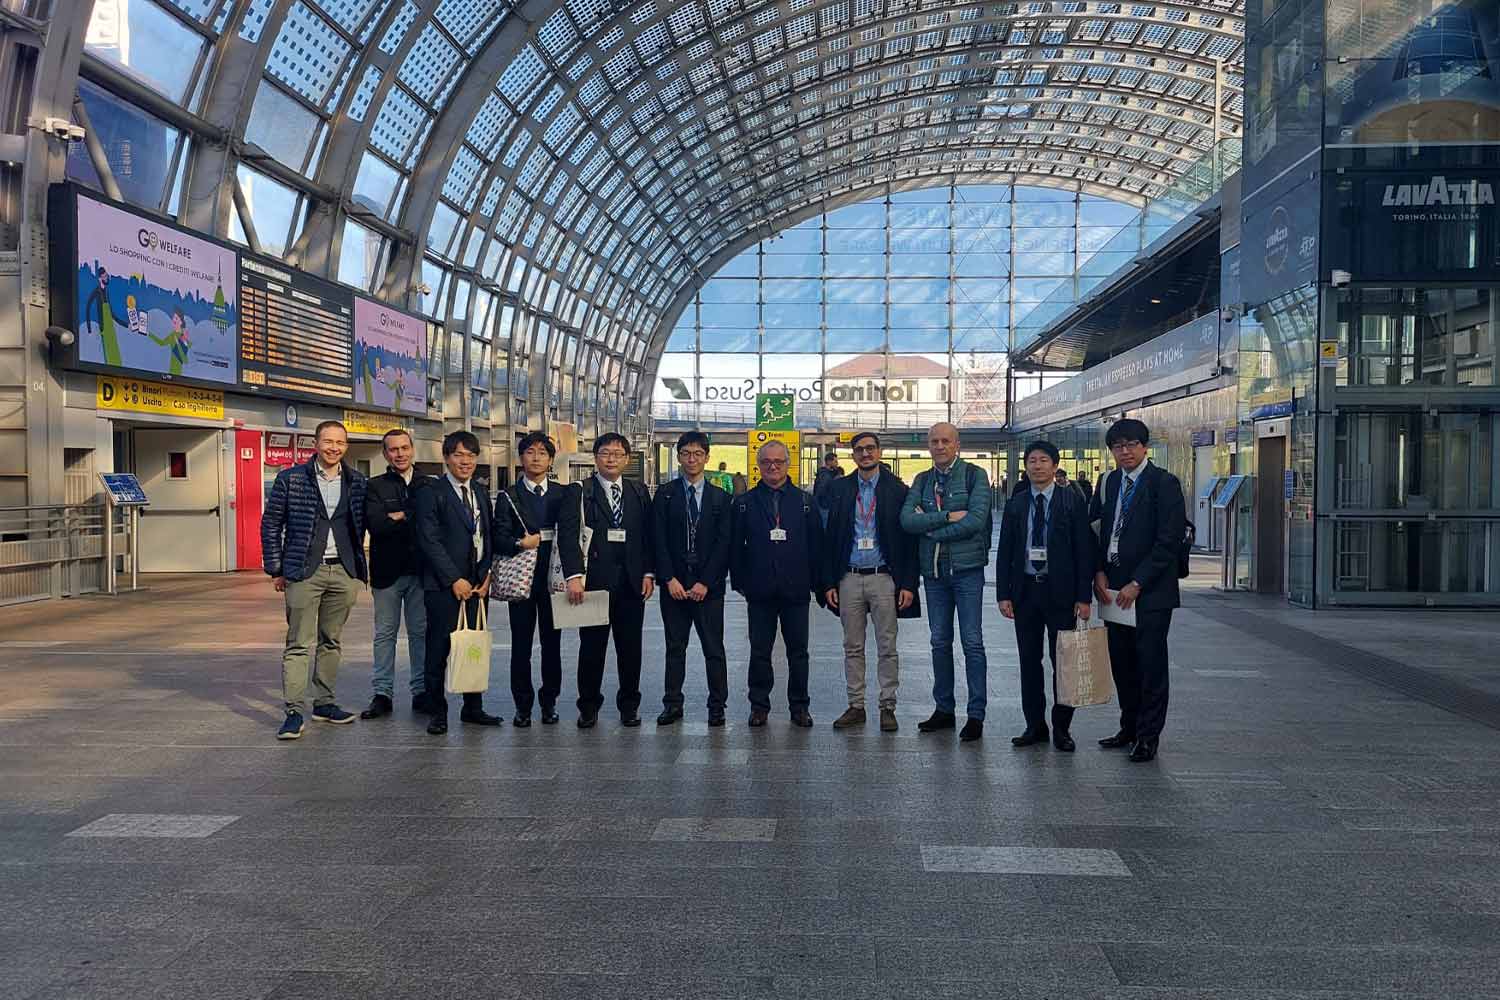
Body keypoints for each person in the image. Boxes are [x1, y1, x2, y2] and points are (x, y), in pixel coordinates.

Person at [262, 420, 368, 740]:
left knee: (331, 640)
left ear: (346, 446)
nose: (334, 447)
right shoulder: (291, 479)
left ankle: (324, 703)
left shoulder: (358, 481)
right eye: (328, 441)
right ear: (316, 443)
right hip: (305, 572)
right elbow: (271, 525)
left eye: (340, 442)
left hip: (344, 572)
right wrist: (277, 568)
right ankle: (294, 711)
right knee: (298, 643)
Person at [1091, 418, 1187, 763]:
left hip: (1150, 592)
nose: (1125, 451)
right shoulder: (1109, 482)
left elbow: (1169, 540)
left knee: (1150, 664)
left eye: (1131, 444)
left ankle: (1148, 736)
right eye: (1118, 446)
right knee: (1123, 663)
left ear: (1145, 447)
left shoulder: (1163, 483)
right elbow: (1098, 530)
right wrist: (1099, 571)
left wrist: (1138, 582)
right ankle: (1128, 726)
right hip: (1114, 589)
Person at [996, 441, 1096, 752]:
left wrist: (1084, 597)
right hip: (1026, 591)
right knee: (1029, 661)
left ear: (1054, 466)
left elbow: (1084, 551)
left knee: (1063, 662)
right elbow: (1005, 552)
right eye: (1032, 461)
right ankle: (1035, 725)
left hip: (1061, 594)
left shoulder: (1071, 501)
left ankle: (1062, 728)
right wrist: (1003, 594)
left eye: (1043, 461)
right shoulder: (1017, 504)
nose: (1037, 466)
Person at [900, 422, 993, 742]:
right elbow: (906, 520)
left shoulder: (975, 475)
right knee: (939, 641)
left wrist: (931, 530)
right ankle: (944, 709)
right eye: (934, 441)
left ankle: (976, 714)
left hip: (967, 571)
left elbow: (975, 522)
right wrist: (945, 517)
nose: (939, 446)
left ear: (957, 444)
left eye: (945, 441)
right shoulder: (922, 479)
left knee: (972, 642)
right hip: (935, 574)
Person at [822, 432, 918, 733]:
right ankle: (856, 705)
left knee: (887, 646)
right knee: (852, 645)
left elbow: (909, 541)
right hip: (849, 577)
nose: (865, 454)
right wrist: (828, 582)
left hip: (884, 578)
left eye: (870, 449)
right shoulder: (840, 489)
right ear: (853, 455)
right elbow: (829, 537)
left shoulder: (898, 490)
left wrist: (908, 584)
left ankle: (887, 706)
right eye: (860, 450)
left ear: (879, 452)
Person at [559, 433, 655, 729]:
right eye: (605, 453)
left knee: (631, 649)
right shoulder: (580, 491)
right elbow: (568, 536)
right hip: (592, 584)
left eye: (617, 453)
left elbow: (648, 536)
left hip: (630, 584)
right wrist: (574, 576)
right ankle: (588, 706)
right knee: (591, 649)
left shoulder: (639, 492)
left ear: (627, 459)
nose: (611, 458)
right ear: (595, 457)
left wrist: (649, 573)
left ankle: (629, 705)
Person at [730, 440, 824, 727]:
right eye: (767, 462)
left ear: (788, 464)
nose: (773, 466)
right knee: (760, 651)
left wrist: (817, 584)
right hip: (759, 590)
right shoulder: (744, 503)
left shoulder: (805, 502)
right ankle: (759, 705)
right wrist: (741, 583)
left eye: (779, 462)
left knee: (799, 652)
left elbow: (817, 545)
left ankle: (799, 707)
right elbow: (735, 547)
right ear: (759, 466)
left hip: (795, 589)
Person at [414, 430, 499, 736]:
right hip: (444, 586)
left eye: (471, 455)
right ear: (446, 457)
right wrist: (454, 578)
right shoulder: (431, 492)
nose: (466, 461)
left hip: (478, 585)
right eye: (459, 455)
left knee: (473, 648)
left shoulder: (479, 490)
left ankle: (473, 708)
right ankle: (437, 712)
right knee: (439, 648)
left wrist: (487, 573)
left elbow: (487, 536)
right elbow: (429, 540)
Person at [652, 431, 733, 726]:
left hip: (707, 588)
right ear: (678, 457)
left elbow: (725, 544)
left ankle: (717, 705)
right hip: (674, 585)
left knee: (714, 649)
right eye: (686, 453)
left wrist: (706, 582)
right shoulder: (666, 494)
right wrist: (668, 578)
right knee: (675, 648)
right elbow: (657, 540)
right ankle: (672, 704)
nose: (692, 458)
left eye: (698, 453)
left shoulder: (722, 499)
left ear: (707, 457)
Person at [493, 431, 566, 727]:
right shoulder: (508, 496)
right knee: (521, 644)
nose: (536, 457)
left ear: (550, 460)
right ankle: (522, 705)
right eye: (530, 452)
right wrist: (520, 543)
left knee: (552, 644)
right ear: (520, 457)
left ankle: (549, 702)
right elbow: (498, 535)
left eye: (542, 453)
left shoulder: (563, 493)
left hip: (554, 578)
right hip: (522, 579)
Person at [361, 428, 430, 719]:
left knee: (420, 633)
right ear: (385, 453)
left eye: (404, 448)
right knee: (385, 634)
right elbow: (376, 525)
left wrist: (399, 515)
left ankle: (421, 692)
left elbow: (431, 522)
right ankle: (382, 694)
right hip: (386, 573)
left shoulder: (429, 484)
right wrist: (408, 515)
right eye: (393, 449)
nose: (399, 454)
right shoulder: (374, 486)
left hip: (421, 572)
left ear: (412, 449)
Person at [812, 451, 844, 521]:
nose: (837, 463)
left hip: (824, 506)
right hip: (824, 507)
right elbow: (820, 492)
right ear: (829, 462)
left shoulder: (826, 474)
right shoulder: (826, 476)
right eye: (835, 461)